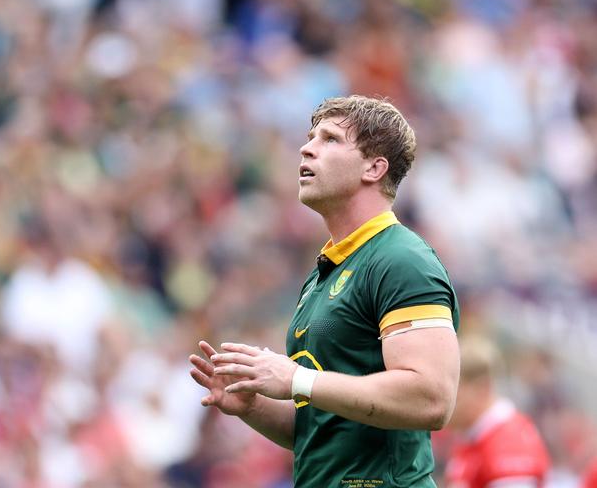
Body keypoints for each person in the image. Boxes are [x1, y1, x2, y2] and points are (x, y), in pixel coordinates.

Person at [189, 95, 461, 487]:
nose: (306, 147)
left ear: (374, 167)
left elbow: (431, 397)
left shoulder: (402, 260)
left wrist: (296, 379)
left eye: (330, 139)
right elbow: (326, 428)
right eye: (310, 137)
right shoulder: (325, 272)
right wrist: (252, 406)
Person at [442, 336, 550, 488]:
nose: (445, 403)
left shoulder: (511, 443)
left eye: (455, 396)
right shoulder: (473, 436)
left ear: (482, 388)